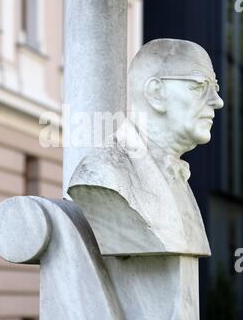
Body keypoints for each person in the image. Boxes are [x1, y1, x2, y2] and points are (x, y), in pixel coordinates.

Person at [68, 39, 224, 256]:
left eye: (215, 88)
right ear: (156, 93)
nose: (217, 101)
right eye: (199, 86)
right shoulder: (104, 172)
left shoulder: (178, 176)